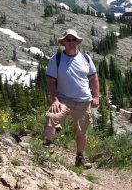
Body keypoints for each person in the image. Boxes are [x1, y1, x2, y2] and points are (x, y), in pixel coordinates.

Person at [43, 29, 100, 168]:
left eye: (74, 40)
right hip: (63, 100)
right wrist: (55, 99)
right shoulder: (55, 59)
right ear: (63, 43)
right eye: (68, 40)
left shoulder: (86, 58)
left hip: (83, 101)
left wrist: (96, 96)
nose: (71, 42)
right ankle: (45, 150)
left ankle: (80, 158)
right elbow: (51, 81)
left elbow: (93, 78)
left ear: (77, 42)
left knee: (81, 131)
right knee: (51, 117)